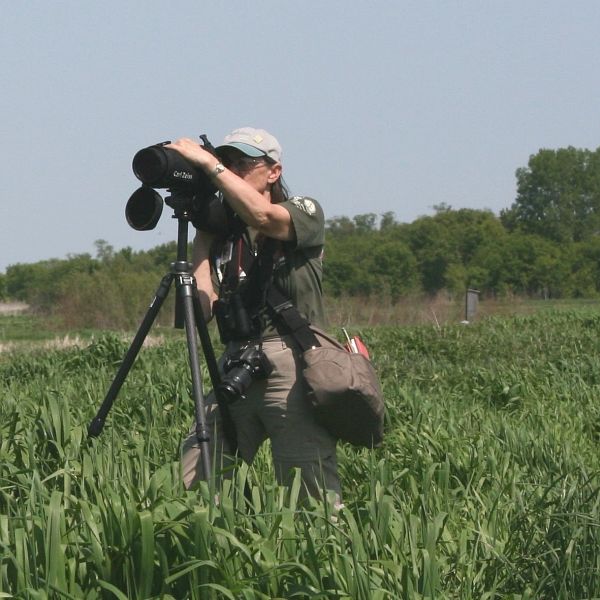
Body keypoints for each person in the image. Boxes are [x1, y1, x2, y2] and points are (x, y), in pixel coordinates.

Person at [168, 127, 342, 502]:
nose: (232, 170)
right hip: (236, 362)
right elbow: (200, 312)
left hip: (292, 362)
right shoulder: (225, 235)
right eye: (228, 162)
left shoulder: (303, 211)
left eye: (242, 164)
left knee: (309, 495)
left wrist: (209, 165)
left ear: (273, 171)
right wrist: (203, 234)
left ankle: (326, 558)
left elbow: (264, 216)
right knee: (197, 483)